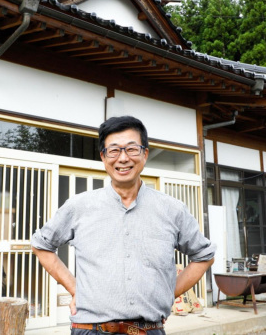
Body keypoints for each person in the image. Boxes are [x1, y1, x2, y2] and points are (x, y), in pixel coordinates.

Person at [32, 115, 216, 335]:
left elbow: (204, 255)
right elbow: (41, 245)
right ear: (103, 156)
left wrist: (167, 293)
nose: (123, 158)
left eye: (131, 149)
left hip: (148, 330)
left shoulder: (172, 209)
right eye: (114, 150)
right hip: (90, 329)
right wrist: (75, 289)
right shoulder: (79, 206)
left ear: (145, 154)